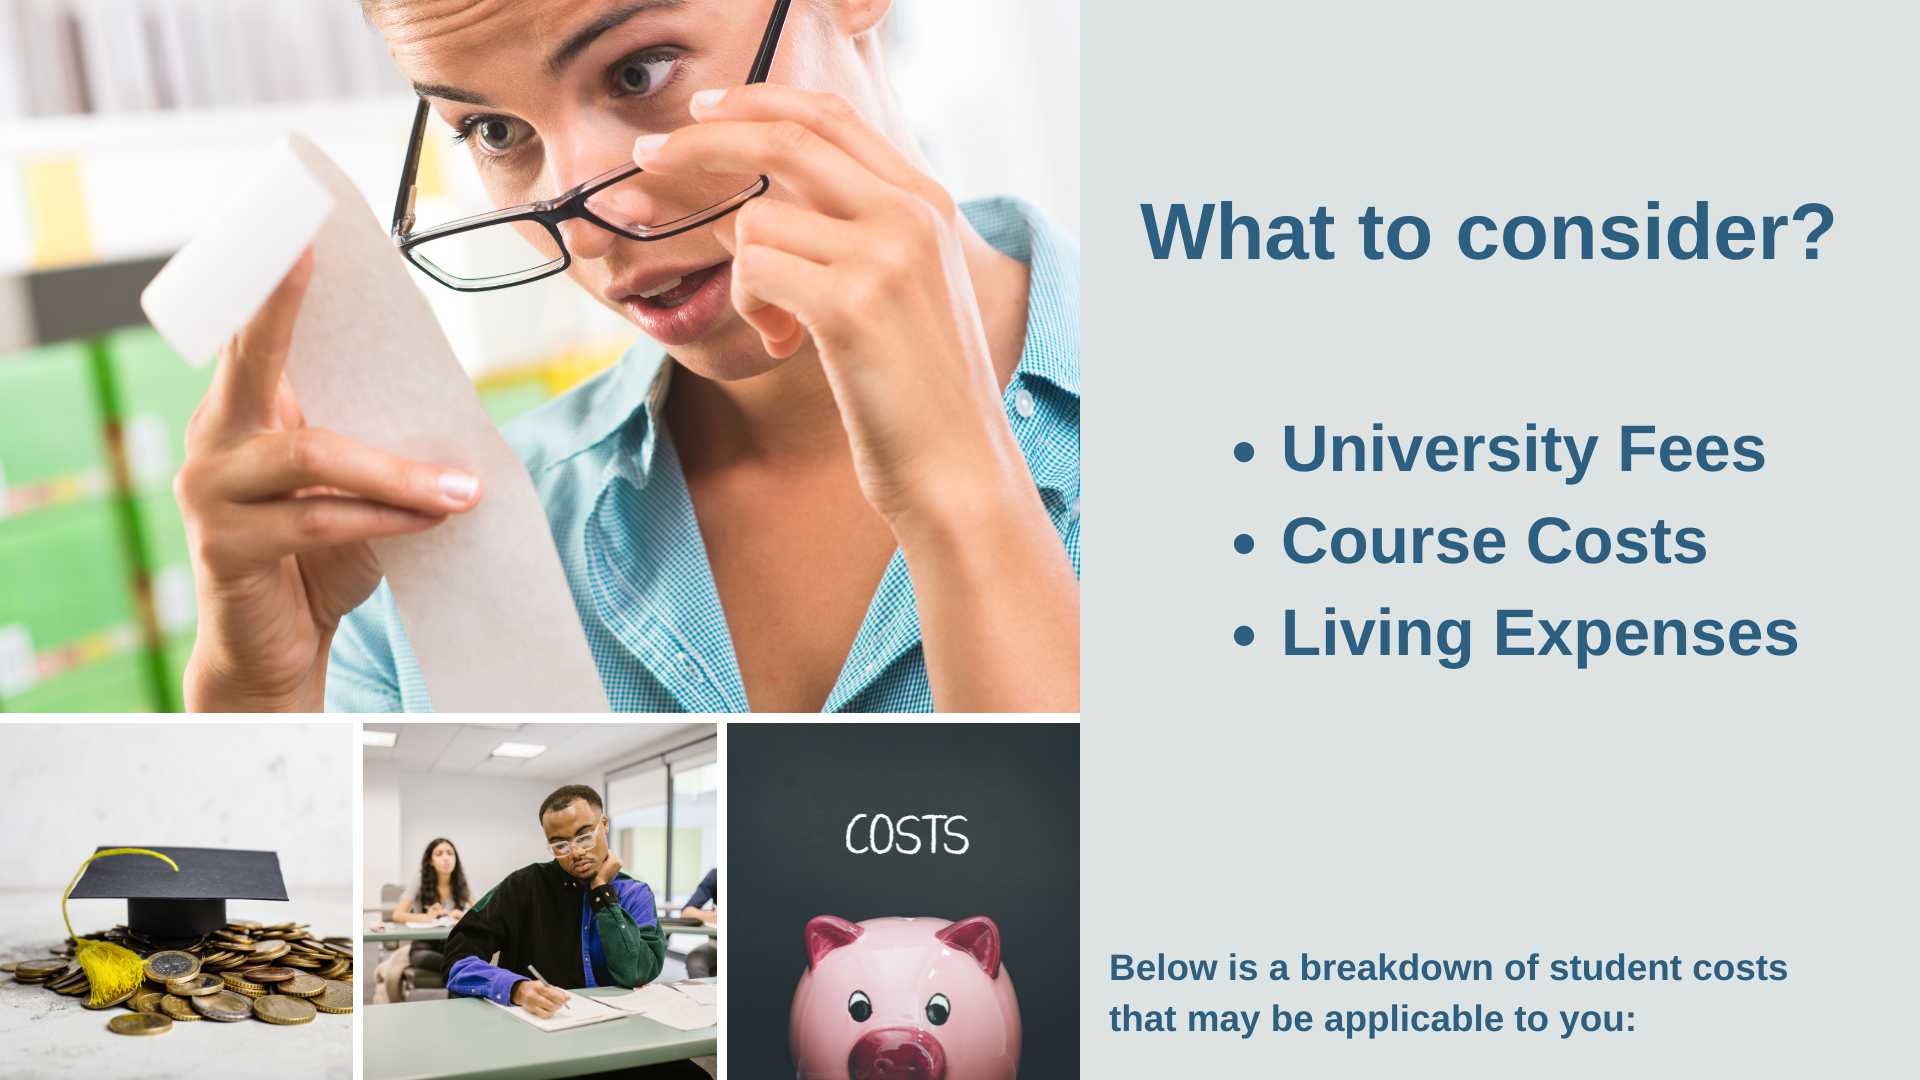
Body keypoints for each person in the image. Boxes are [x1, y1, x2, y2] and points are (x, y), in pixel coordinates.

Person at [174, 0, 1080, 714]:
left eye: (639, 71)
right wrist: (256, 693)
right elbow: (290, 942)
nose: (580, 219)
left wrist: (965, 495)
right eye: (494, 131)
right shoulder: (413, 560)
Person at [441, 785, 666, 1016]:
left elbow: (638, 972)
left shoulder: (636, 894)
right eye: (560, 845)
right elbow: (457, 961)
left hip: (618, 1026)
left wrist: (602, 893)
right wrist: (516, 988)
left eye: (585, 837)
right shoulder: (522, 887)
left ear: (605, 824)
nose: (575, 852)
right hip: (539, 1028)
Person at [381, 837, 470, 1002]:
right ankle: (458, 1007)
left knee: (460, 962)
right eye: (439, 854)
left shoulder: (460, 882)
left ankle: (457, 1009)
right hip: (423, 947)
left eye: (450, 853)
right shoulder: (419, 879)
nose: (446, 858)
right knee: (457, 966)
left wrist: (461, 915)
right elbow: (398, 914)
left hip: (450, 945)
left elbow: (481, 912)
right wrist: (424, 917)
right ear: (430, 860)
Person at [680, 868, 717, 979]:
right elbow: (686, 912)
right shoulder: (716, 875)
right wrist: (711, 917)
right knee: (695, 961)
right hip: (717, 944)